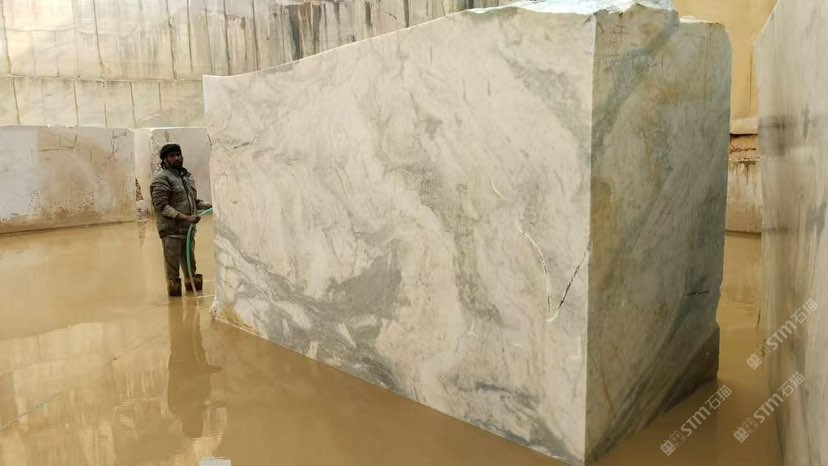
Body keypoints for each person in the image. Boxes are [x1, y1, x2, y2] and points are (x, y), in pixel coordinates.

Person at [150, 143, 211, 296]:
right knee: (173, 271)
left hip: (188, 231)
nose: (177, 158)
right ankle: (175, 300)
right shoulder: (161, 180)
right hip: (171, 231)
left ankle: (193, 298)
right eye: (172, 156)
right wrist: (186, 217)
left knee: (191, 266)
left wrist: (212, 205)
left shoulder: (186, 177)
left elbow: (194, 202)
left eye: (178, 154)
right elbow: (162, 207)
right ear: (165, 160)